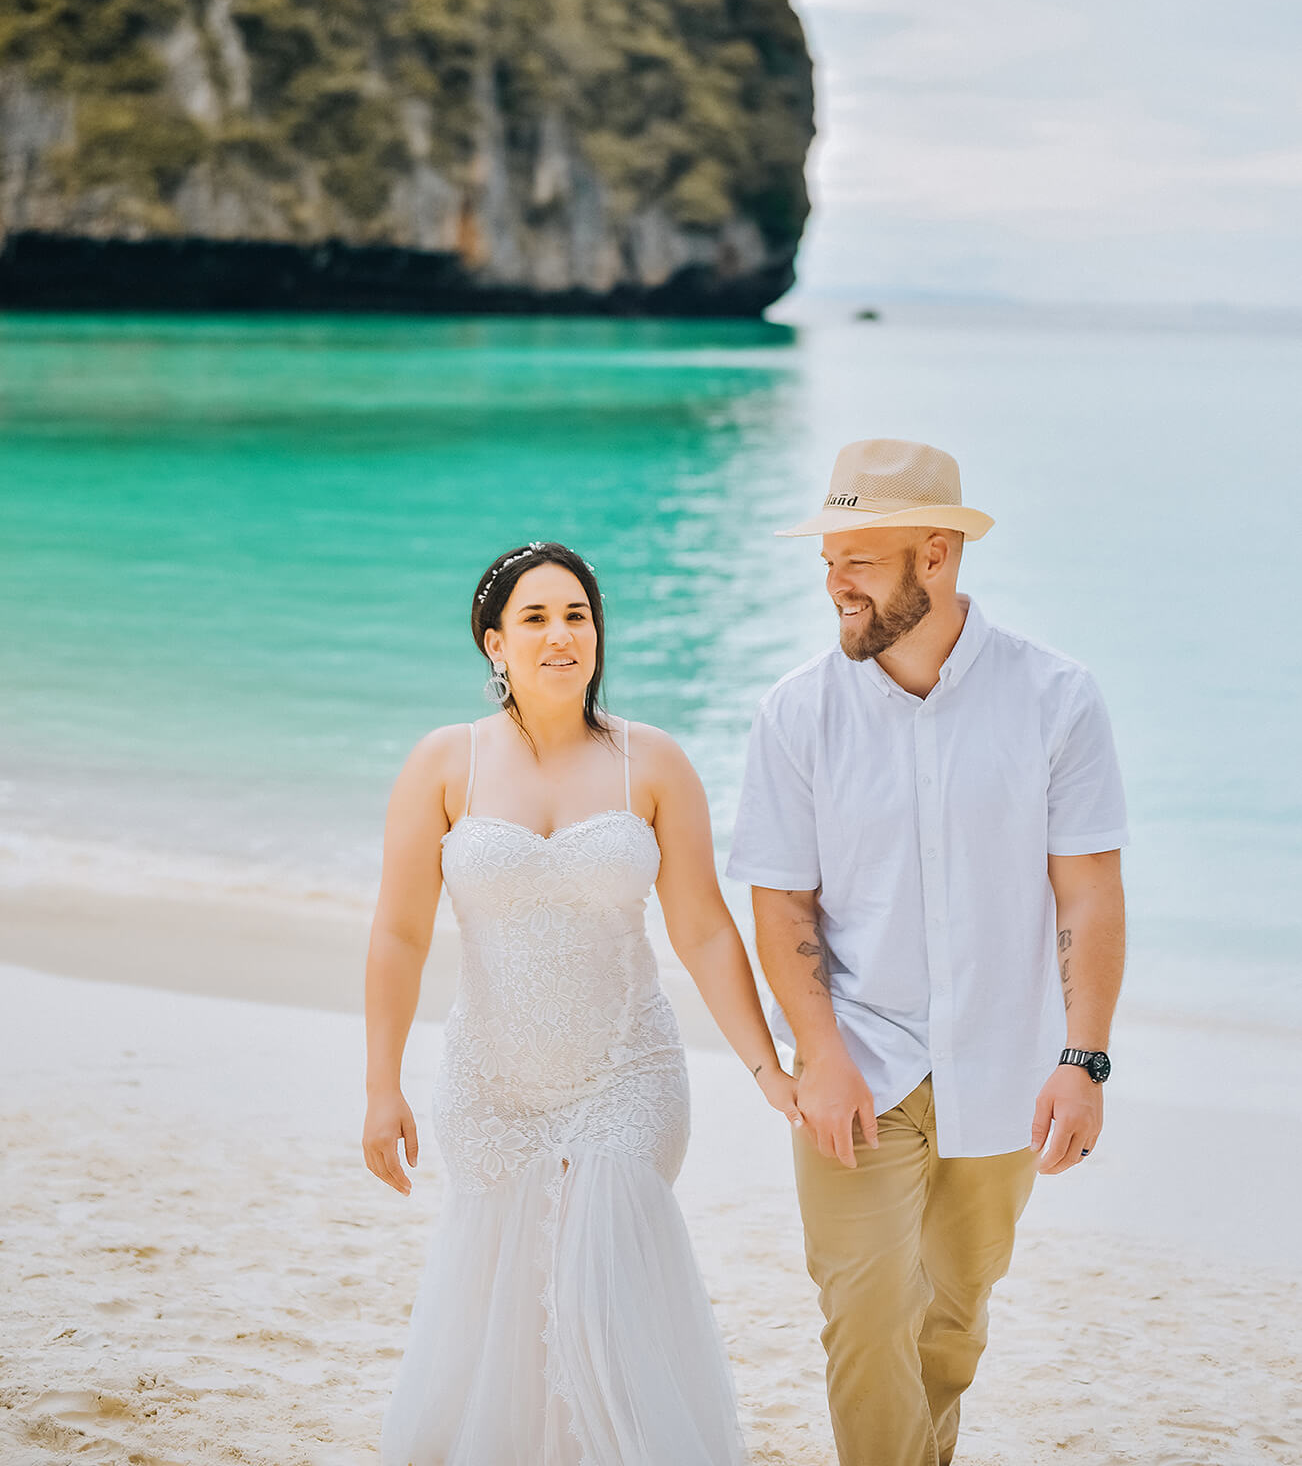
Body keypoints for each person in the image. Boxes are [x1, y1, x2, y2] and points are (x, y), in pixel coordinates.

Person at [727, 438, 1128, 1466]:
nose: (833, 585)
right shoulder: (794, 713)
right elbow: (782, 904)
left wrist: (1082, 1058)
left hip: (1002, 1064)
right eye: (825, 562)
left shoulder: (1055, 695)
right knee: (861, 1314)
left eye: (856, 559)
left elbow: (1085, 886)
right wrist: (818, 1052)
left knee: (949, 1321)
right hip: (858, 1060)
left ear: (936, 554)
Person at [365, 539, 799, 1466]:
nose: (561, 635)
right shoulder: (446, 764)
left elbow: (707, 931)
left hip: (627, 1076)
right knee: (508, 1315)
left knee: (603, 1293)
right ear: (494, 644)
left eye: (578, 616)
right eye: (536, 618)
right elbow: (398, 934)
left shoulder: (655, 762)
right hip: (492, 1083)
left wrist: (768, 1066)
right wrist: (381, 1086)